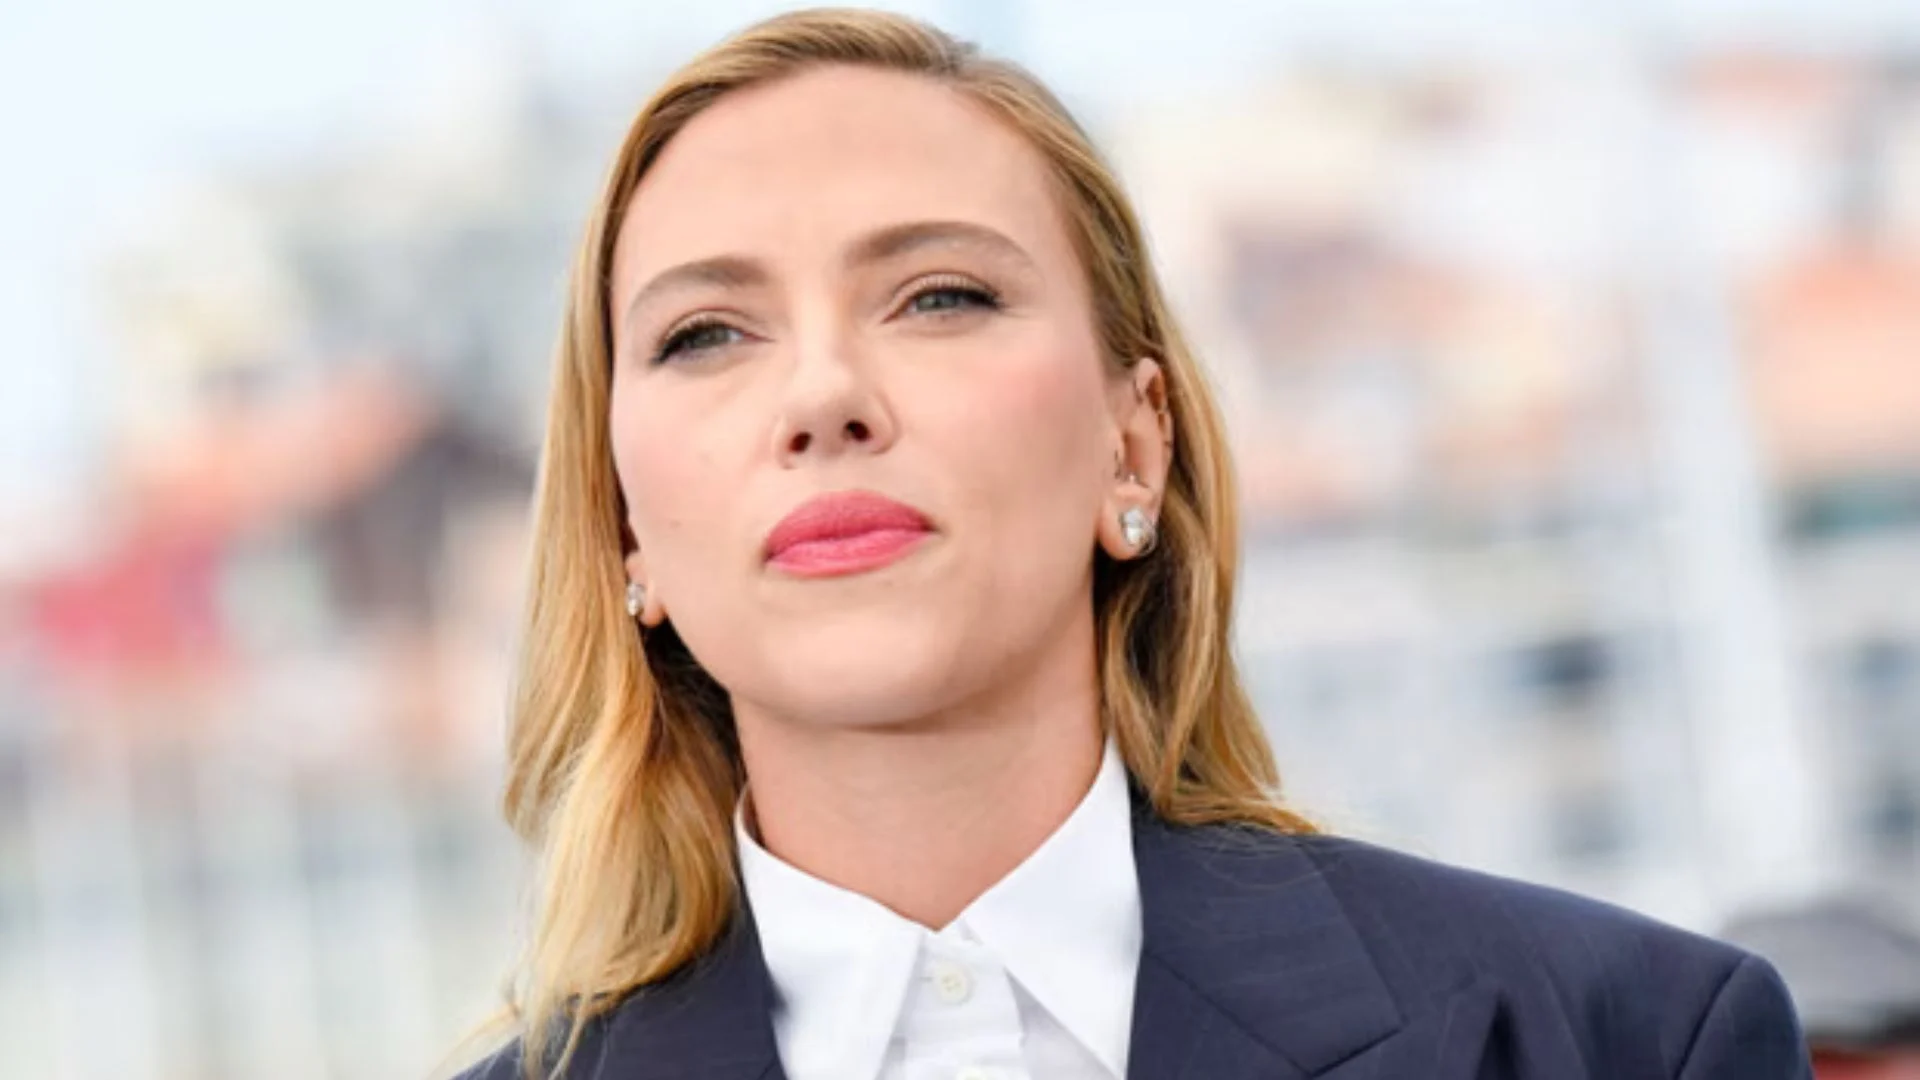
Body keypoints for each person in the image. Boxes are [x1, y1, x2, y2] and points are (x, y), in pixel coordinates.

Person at [448, 8, 1812, 1079]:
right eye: (706, 333)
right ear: (624, 526)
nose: (822, 396)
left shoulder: (1624, 1039)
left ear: (1134, 442)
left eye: (938, 296)